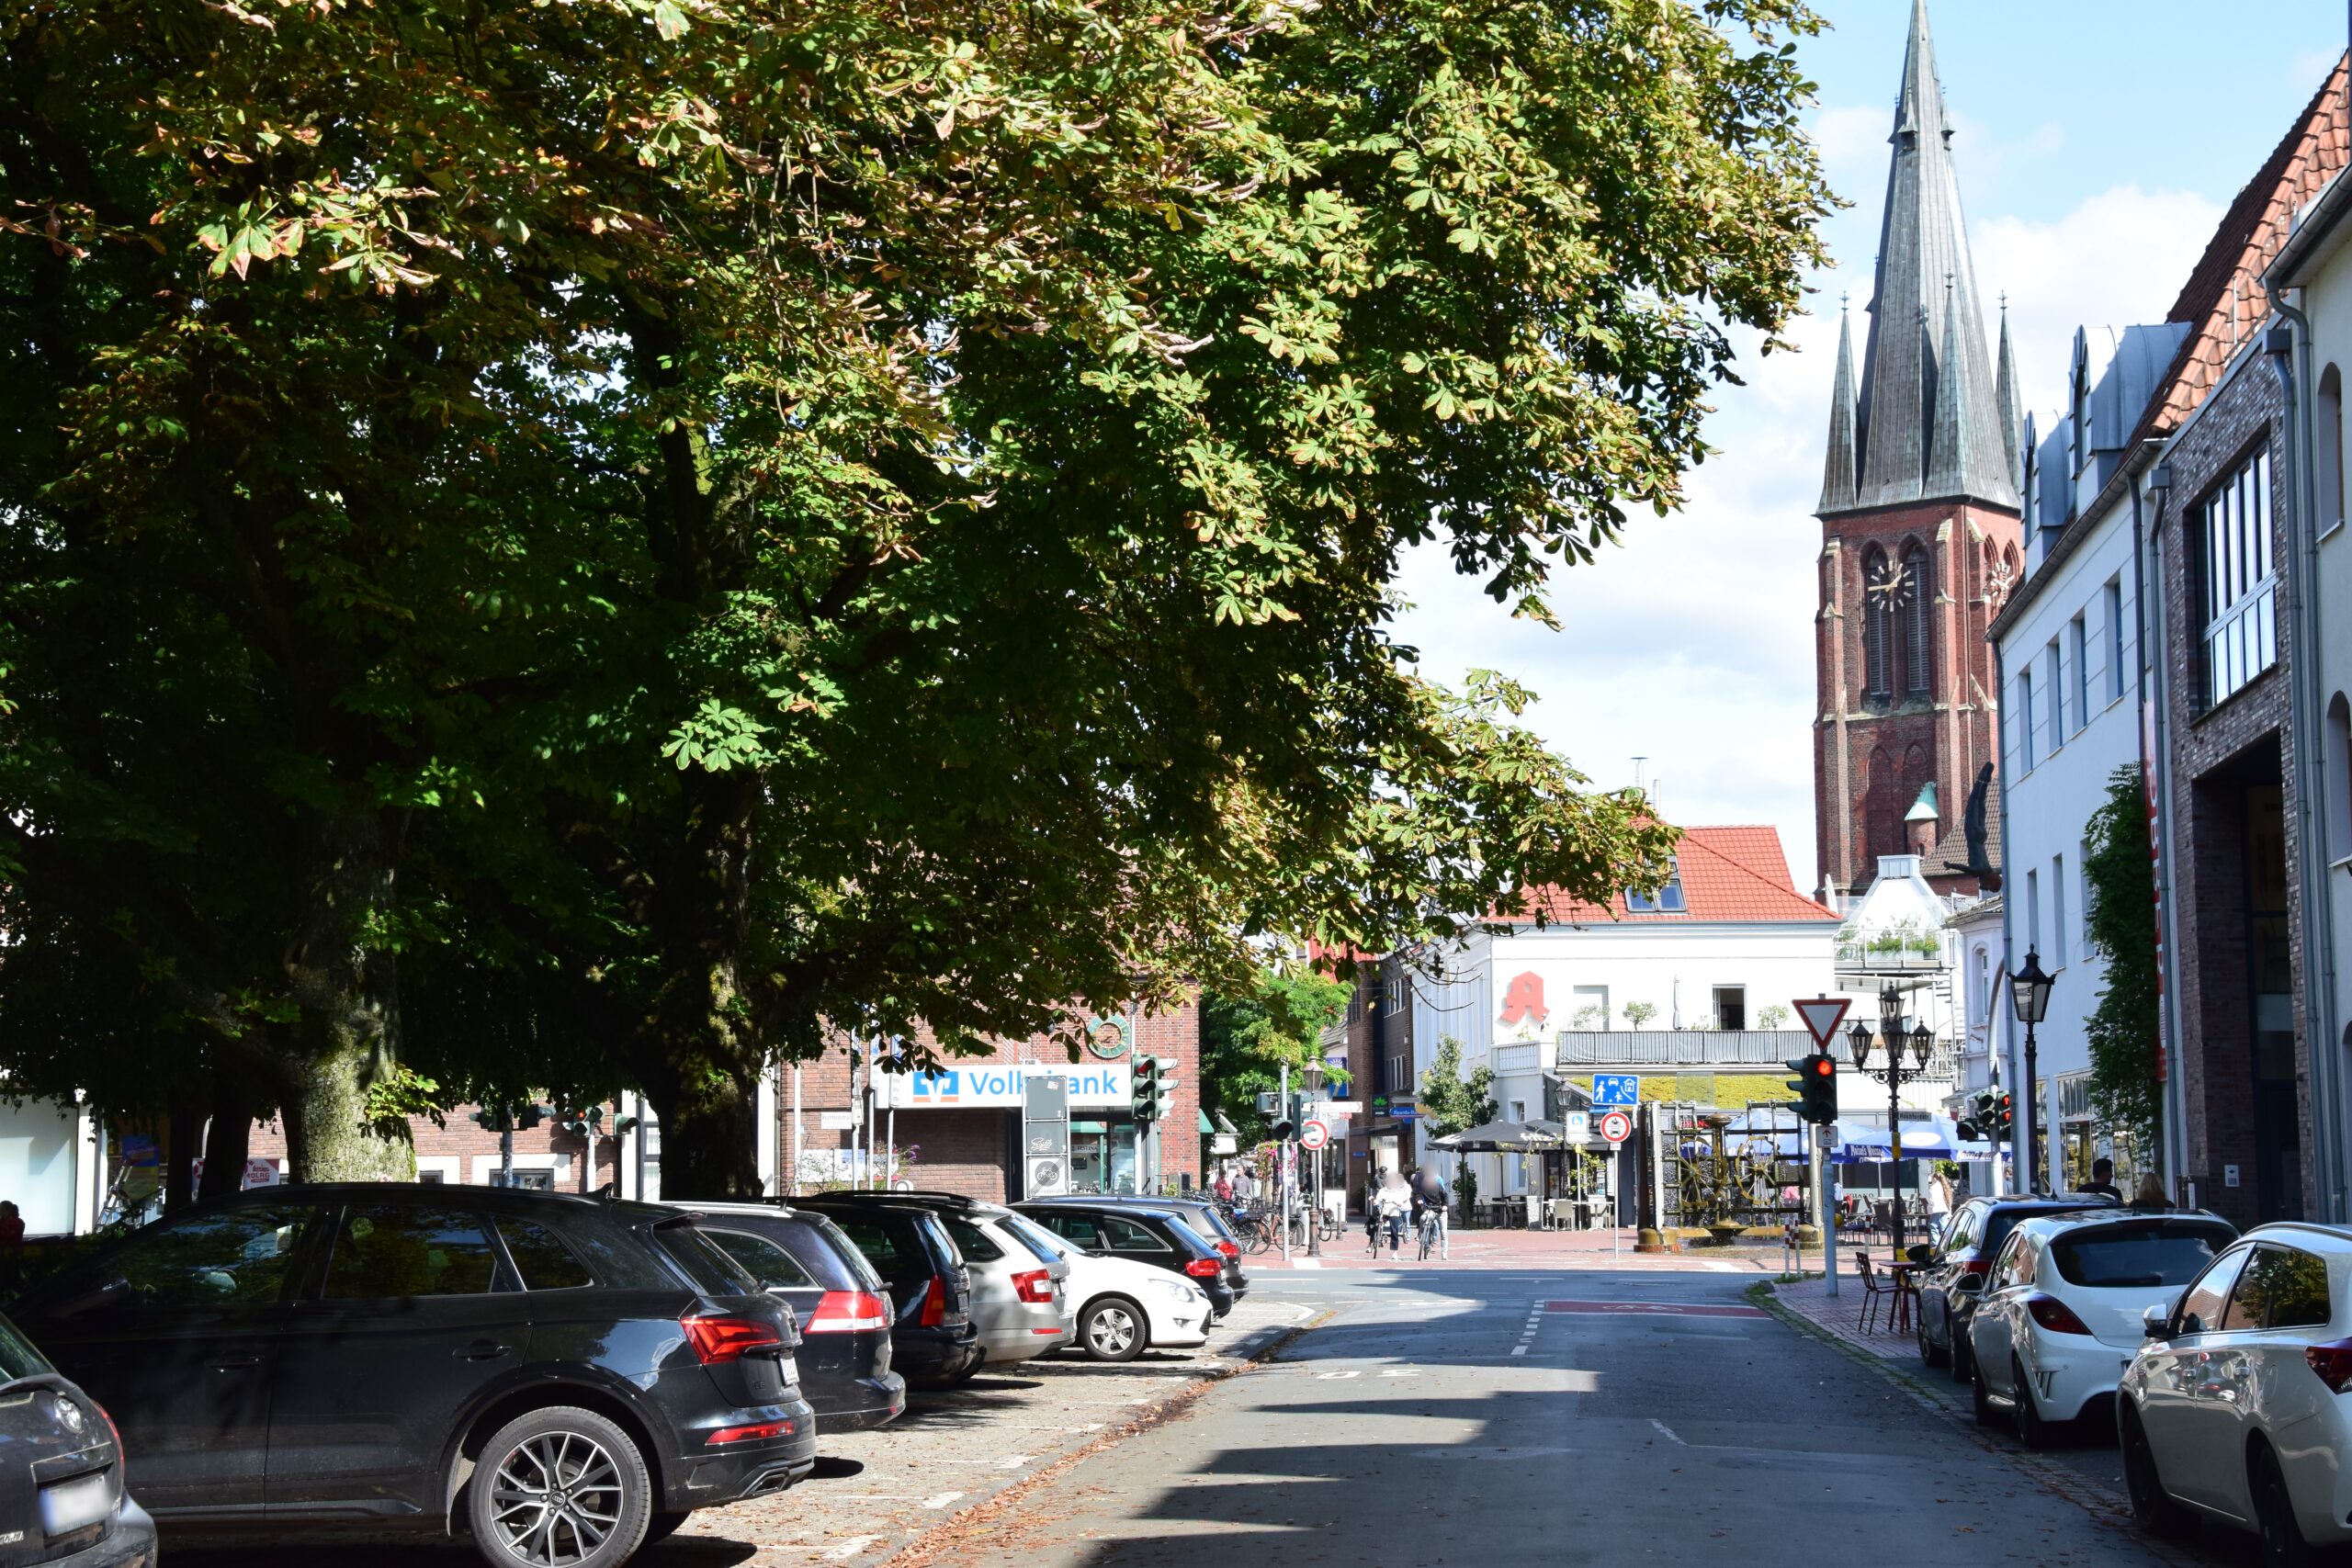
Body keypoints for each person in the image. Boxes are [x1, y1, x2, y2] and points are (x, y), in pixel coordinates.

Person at [1409, 1165, 1452, 1260]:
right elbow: (1418, 1194)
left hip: (1441, 1210)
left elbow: (1445, 1195)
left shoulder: (1438, 1186)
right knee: (1423, 1218)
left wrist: (1445, 1205)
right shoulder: (1422, 1186)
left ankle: (1444, 1253)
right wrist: (1419, 1200)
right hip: (1430, 1209)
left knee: (1444, 1232)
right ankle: (1421, 1235)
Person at [1375, 1169, 1411, 1260]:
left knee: (1394, 1230)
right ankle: (1373, 1242)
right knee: (1375, 1224)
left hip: (1394, 1212)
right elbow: (1377, 1199)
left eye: (1392, 1182)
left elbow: (1402, 1200)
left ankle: (1394, 1252)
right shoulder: (1382, 1191)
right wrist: (1375, 1201)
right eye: (1389, 1181)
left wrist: (1399, 1203)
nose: (1391, 1183)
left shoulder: (1397, 1191)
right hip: (1384, 1212)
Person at [1925, 1164, 1953, 1244]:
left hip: (1936, 1209)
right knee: (1943, 1226)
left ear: (1935, 1178)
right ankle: (1945, 1242)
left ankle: (1936, 1243)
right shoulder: (1945, 1187)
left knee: (1934, 1226)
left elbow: (1932, 1201)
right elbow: (1949, 1200)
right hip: (1945, 1209)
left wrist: (1928, 1208)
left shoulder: (1933, 1188)